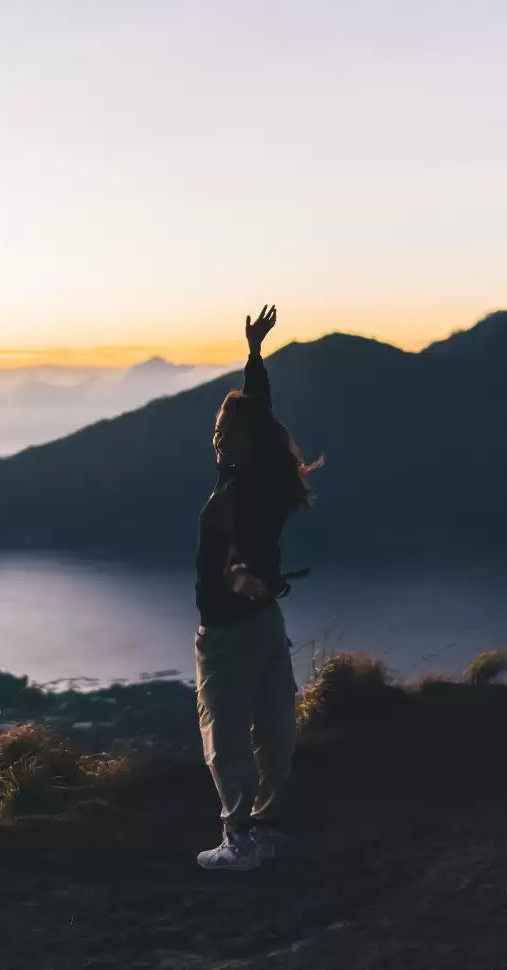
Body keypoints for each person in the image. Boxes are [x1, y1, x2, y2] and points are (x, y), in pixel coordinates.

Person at [193, 304, 321, 871]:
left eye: (228, 434)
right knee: (273, 724)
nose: (218, 440)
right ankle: (266, 829)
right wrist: (254, 355)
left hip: (230, 628)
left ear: (249, 442)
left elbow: (238, 550)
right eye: (217, 431)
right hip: (267, 621)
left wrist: (240, 575)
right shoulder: (264, 474)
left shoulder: (239, 493)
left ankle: (238, 838)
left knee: (224, 730)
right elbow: (259, 413)